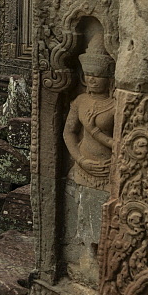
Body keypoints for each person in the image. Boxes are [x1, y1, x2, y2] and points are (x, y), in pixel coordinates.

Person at [63, 41, 116, 189]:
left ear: (109, 79)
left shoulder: (115, 105)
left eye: (97, 75)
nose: (91, 79)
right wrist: (80, 160)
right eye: (88, 74)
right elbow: (69, 132)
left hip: (108, 169)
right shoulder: (81, 101)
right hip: (83, 166)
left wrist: (94, 131)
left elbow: (120, 144)